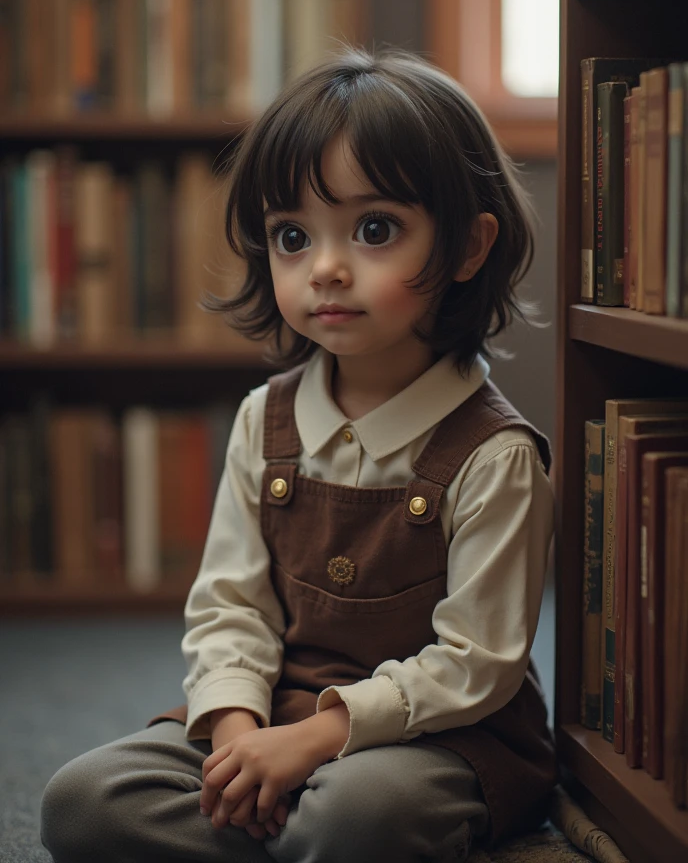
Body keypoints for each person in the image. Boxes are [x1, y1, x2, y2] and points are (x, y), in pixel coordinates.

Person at [41, 48, 557, 863]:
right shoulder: (265, 421)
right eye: (291, 236)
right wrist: (241, 735)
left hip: (436, 742)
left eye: (375, 229)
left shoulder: (495, 454)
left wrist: (318, 741)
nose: (324, 267)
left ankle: (307, 831)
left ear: (467, 248)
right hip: (278, 715)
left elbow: (477, 667)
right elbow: (230, 606)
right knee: (81, 803)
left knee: (359, 817)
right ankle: (292, 829)